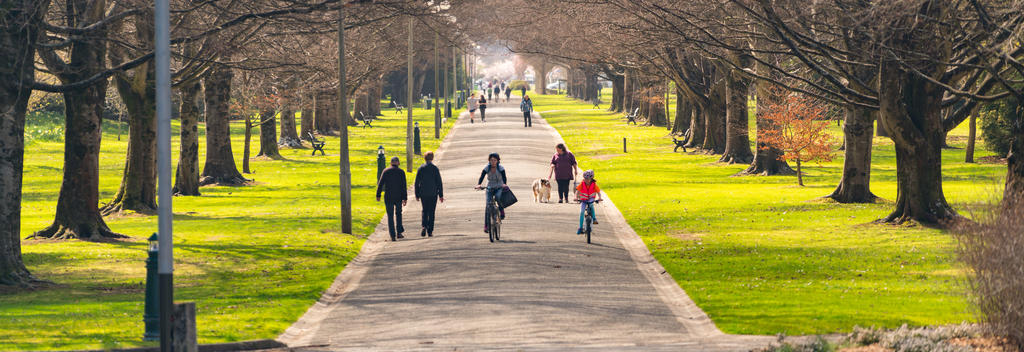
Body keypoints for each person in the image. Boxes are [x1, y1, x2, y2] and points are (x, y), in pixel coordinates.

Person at [474, 153, 507, 234]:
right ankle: (486, 226)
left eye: (495, 160)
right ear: (489, 160)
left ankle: (501, 210)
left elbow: (504, 177)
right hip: (489, 187)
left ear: (498, 161)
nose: (493, 162)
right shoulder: (487, 168)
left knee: (498, 197)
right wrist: (479, 184)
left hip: (499, 186)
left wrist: (504, 184)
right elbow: (482, 176)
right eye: (491, 160)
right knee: (488, 206)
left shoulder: (501, 168)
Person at [376, 157, 407, 241]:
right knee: (398, 213)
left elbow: (380, 183)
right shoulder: (401, 172)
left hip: (389, 196)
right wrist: (405, 198)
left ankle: (392, 235)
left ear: (391, 163)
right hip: (398, 196)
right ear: (398, 163)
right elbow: (404, 186)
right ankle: (399, 232)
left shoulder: (386, 171)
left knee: (390, 215)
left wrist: (378, 195)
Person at [415, 151, 444, 237]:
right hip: (433, 193)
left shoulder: (421, 168)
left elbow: (417, 182)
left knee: (424, 210)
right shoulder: (435, 168)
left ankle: (424, 226)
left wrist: (417, 194)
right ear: (432, 158)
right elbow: (439, 182)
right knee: (431, 211)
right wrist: (441, 195)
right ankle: (430, 230)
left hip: (423, 192)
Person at [576, 170, 602, 235]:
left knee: (591, 205)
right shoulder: (582, 184)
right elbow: (577, 191)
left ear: (591, 178)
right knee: (582, 212)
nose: (587, 180)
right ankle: (580, 228)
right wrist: (576, 197)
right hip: (583, 200)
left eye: (588, 179)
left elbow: (598, 192)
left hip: (591, 199)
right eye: (585, 179)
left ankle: (594, 218)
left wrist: (599, 197)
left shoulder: (594, 185)